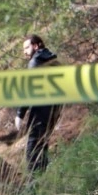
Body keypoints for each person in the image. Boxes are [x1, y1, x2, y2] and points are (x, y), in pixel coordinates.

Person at [15, 35, 60, 172]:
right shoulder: (53, 60)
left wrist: (20, 114)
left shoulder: (35, 62)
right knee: (42, 146)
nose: (25, 52)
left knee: (32, 151)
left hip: (40, 113)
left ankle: (33, 187)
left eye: (27, 47)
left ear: (36, 46)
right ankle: (42, 181)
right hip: (53, 111)